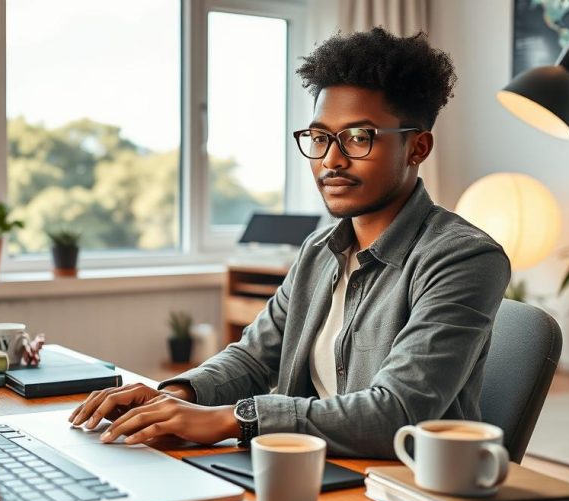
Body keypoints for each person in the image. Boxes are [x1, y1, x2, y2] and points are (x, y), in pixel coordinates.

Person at [68, 27, 510, 458]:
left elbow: (396, 413)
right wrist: (175, 395)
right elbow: (254, 359)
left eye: (358, 137)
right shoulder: (318, 252)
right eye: (320, 138)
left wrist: (235, 420)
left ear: (418, 147)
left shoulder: (464, 257)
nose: (331, 160)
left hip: (400, 492)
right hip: (308, 471)